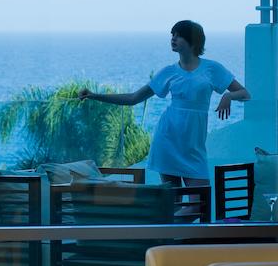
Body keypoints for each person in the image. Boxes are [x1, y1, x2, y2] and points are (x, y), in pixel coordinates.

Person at [78, 20, 250, 186]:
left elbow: (244, 93)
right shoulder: (169, 72)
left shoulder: (212, 68)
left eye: (179, 35)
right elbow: (133, 98)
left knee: (201, 198)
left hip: (194, 147)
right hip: (168, 141)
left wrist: (228, 96)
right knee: (173, 200)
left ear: (193, 41)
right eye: (172, 35)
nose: (173, 39)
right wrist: (94, 95)